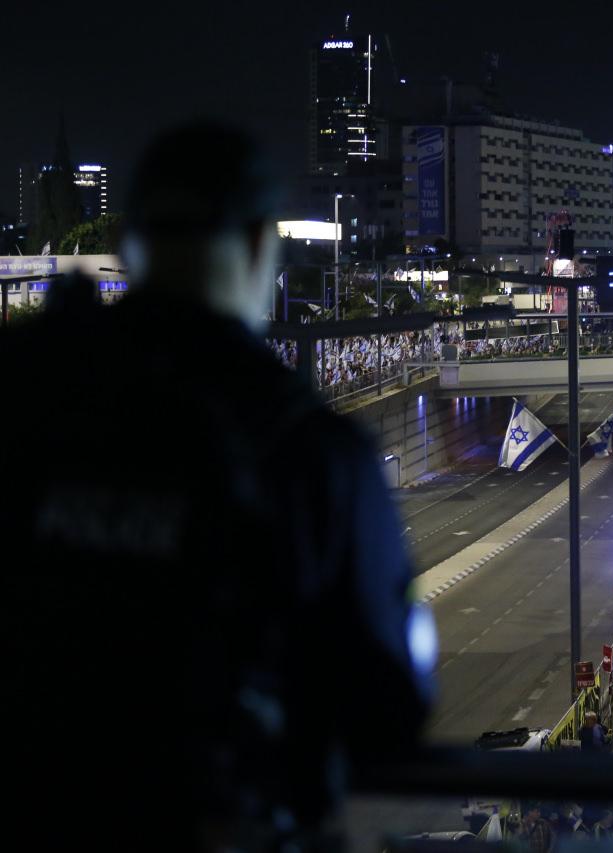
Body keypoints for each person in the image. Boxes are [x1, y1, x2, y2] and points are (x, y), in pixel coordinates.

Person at [1, 124, 435, 850]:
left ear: (132, 246)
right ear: (263, 244)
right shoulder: (308, 448)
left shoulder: (22, 390)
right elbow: (389, 706)